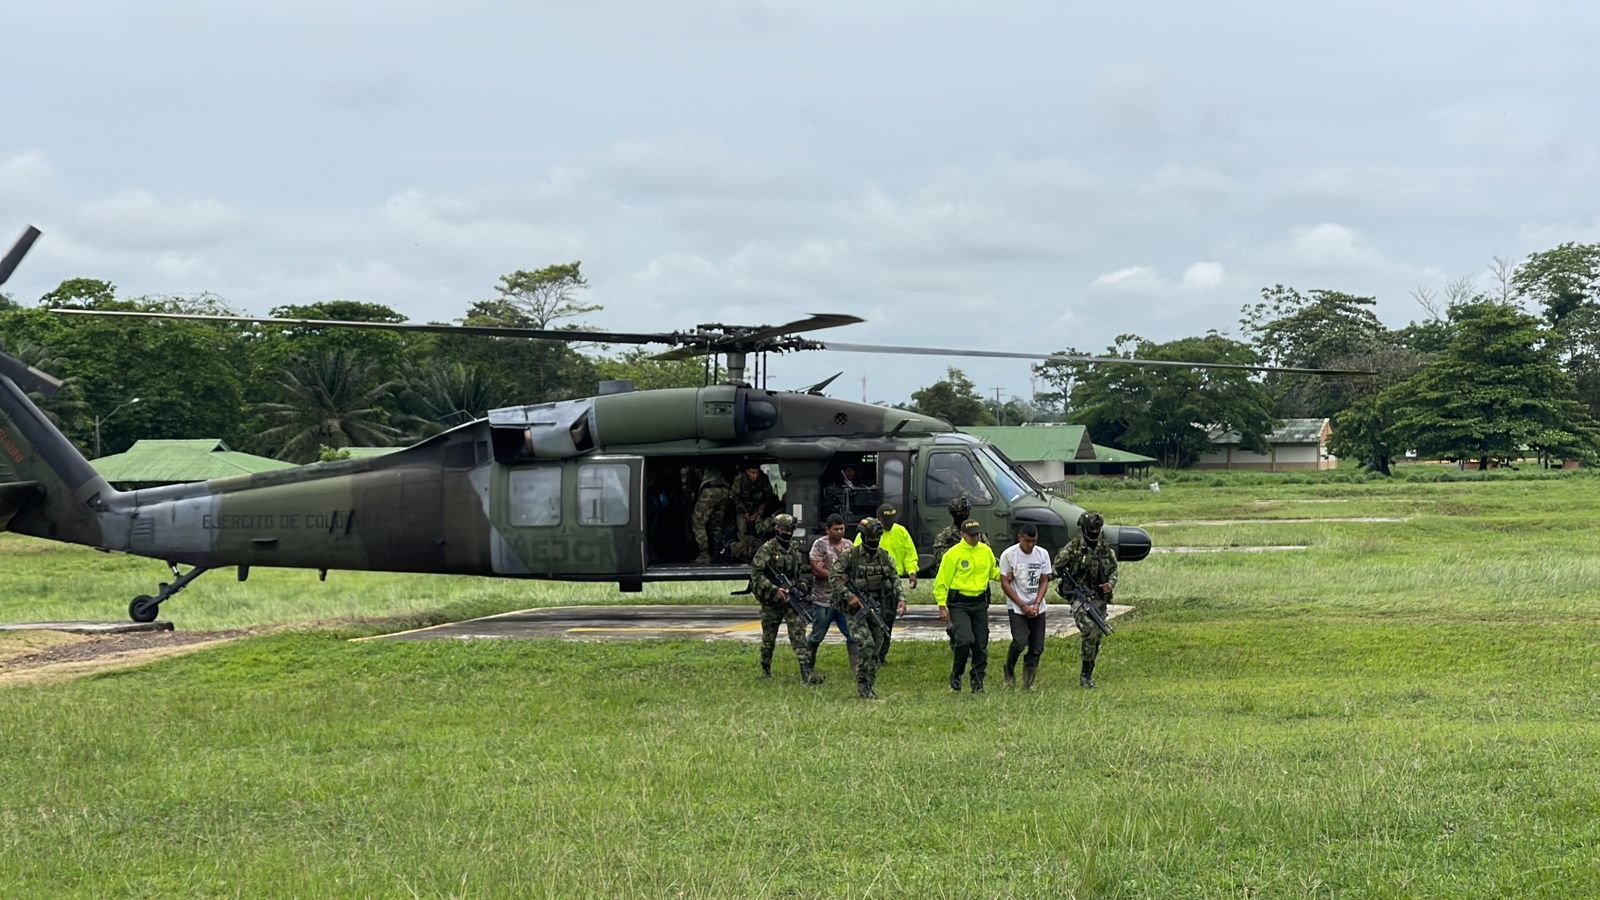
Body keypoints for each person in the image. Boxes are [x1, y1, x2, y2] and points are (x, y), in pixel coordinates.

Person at [830, 517, 905, 700]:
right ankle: (862, 682)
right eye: (870, 537)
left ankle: (869, 683)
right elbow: (835, 577)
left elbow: (894, 577)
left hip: (876, 607)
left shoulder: (884, 556)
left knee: (877, 646)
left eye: (876, 537)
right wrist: (850, 596)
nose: (873, 541)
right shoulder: (851, 556)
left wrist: (901, 598)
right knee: (866, 644)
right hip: (854, 610)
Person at [750, 514, 821, 684]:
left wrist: (803, 584)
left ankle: (806, 674)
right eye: (785, 529)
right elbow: (756, 574)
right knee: (769, 638)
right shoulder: (767, 549)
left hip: (791, 599)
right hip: (772, 602)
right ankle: (765, 671)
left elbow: (800, 570)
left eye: (790, 530)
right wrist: (775, 590)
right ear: (777, 529)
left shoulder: (794, 548)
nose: (788, 532)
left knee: (798, 635)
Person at [1053, 510, 1118, 688]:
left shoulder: (1105, 550)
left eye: (1097, 527)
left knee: (1097, 636)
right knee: (1090, 632)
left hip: (1099, 598)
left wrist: (1110, 584)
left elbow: (1114, 570)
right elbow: (1055, 569)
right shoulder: (1072, 549)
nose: (1094, 531)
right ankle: (1084, 676)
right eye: (1091, 528)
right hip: (1079, 597)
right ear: (1083, 528)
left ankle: (1088, 672)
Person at [933, 519, 999, 693]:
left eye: (977, 534)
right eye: (971, 535)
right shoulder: (953, 554)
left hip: (979, 603)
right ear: (962, 535)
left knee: (980, 644)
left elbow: (993, 572)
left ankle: (977, 682)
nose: (975, 538)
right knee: (964, 640)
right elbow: (941, 582)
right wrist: (941, 605)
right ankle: (957, 673)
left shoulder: (986, 551)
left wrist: (1007, 575)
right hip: (959, 603)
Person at [852, 501, 918, 664]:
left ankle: (881, 656)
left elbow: (910, 553)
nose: (889, 523)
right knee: (871, 622)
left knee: (887, 622)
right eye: (886, 520)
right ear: (879, 518)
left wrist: (912, 571)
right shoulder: (869, 531)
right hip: (870, 585)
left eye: (891, 519)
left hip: (891, 583)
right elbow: (855, 554)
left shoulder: (901, 531)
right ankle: (869, 655)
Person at [999, 524, 1052, 689]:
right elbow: (1005, 583)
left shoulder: (1042, 554)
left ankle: (1028, 681)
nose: (1031, 545)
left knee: (1037, 646)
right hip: (1017, 605)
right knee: (1020, 641)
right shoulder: (1009, 555)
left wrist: (1037, 602)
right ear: (1020, 537)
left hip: (1037, 605)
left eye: (1034, 541)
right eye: (1028, 541)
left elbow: (1044, 579)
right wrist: (1022, 605)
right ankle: (1009, 668)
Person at [807, 513, 859, 674]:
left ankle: (857, 668)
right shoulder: (819, 545)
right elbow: (815, 568)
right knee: (817, 635)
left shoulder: (849, 545)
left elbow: (854, 567)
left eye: (841, 528)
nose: (839, 532)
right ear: (828, 529)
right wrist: (835, 576)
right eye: (835, 529)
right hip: (823, 599)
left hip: (843, 599)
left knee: (852, 634)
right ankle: (807, 666)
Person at [730, 462, 780, 561]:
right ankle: (741, 552)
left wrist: (759, 512)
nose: (755, 475)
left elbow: (768, 497)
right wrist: (744, 512)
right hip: (742, 508)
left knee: (759, 529)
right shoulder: (739, 479)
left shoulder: (763, 479)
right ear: (747, 472)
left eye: (757, 473)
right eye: (752, 473)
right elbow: (735, 497)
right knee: (742, 529)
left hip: (758, 507)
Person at [687, 463, 732, 565]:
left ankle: (704, 555)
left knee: (697, 521)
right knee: (716, 524)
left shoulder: (694, 460)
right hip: (724, 489)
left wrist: (687, 492)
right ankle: (717, 553)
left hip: (709, 489)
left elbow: (685, 473)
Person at [931, 496, 978, 570]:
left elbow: (985, 552)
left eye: (966, 512)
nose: (964, 514)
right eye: (961, 512)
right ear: (954, 514)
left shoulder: (975, 533)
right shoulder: (945, 535)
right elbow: (939, 555)